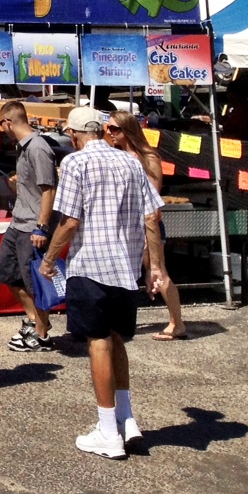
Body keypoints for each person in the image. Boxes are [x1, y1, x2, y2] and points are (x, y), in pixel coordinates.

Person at [41, 106, 167, 458]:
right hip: (124, 267)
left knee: (98, 342)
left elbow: (69, 222)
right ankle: (126, 420)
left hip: (91, 264)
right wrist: (154, 266)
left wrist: (50, 259)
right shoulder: (130, 161)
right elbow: (152, 218)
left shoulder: (75, 164)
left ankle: (108, 429)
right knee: (115, 340)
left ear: (74, 135)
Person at [105, 110, 187, 340]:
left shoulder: (147, 157)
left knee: (158, 272)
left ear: (128, 130)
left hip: (145, 225)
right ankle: (116, 321)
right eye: (108, 128)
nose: (109, 133)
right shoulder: (117, 154)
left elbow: (152, 197)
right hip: (125, 225)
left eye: (115, 128)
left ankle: (177, 322)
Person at [0, 100, 59, 352]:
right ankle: (35, 321)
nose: (2, 129)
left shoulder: (38, 148)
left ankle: (41, 334)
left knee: (35, 282)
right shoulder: (23, 148)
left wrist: (41, 227)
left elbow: (48, 190)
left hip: (33, 224)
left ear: (8, 122)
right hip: (18, 222)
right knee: (7, 272)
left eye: (1, 124)